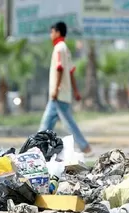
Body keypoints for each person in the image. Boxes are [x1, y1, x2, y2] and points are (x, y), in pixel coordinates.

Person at [39, 21, 93, 156]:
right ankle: (38, 148)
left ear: (57, 32)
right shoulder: (65, 49)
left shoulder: (59, 48)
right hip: (63, 94)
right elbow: (71, 72)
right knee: (47, 124)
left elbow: (60, 68)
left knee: (63, 123)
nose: (50, 35)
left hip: (58, 95)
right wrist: (75, 91)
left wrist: (56, 90)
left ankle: (85, 147)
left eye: (52, 32)